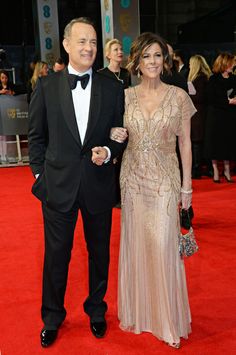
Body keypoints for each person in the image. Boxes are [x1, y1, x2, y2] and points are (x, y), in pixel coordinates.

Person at [28, 17, 127, 348]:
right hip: (58, 186)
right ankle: (52, 317)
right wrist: (41, 177)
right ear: (67, 45)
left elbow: (120, 134)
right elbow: (36, 137)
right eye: (82, 41)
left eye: (94, 42)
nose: (89, 48)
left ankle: (96, 310)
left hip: (98, 184)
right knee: (57, 255)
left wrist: (110, 149)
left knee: (100, 253)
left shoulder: (113, 88)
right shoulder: (46, 86)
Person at [111, 32, 196, 349]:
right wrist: (113, 132)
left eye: (157, 55)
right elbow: (114, 131)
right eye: (146, 56)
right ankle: (142, 313)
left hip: (165, 181)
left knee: (163, 245)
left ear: (166, 59)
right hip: (132, 180)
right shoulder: (125, 96)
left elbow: (185, 142)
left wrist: (187, 186)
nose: (152, 62)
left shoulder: (178, 96)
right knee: (138, 244)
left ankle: (168, 321)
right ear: (136, 61)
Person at [98, 39, 131, 207]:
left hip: (126, 119)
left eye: (121, 49)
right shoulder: (101, 74)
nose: (120, 52)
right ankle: (109, 195)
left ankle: (121, 196)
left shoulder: (127, 74)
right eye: (116, 49)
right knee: (110, 159)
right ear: (108, 54)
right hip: (109, 122)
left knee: (123, 159)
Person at [204, 52, 236, 182]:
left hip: (230, 116)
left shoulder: (234, 79)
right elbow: (210, 98)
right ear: (224, 63)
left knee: (228, 143)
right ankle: (216, 171)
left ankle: (227, 170)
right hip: (216, 116)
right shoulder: (213, 79)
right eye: (231, 63)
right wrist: (228, 101)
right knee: (215, 143)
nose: (234, 65)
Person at [187, 55, 212, 179]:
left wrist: (188, 95)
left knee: (197, 141)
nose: (189, 66)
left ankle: (197, 170)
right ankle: (205, 168)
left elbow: (199, 97)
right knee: (200, 141)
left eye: (191, 64)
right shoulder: (205, 78)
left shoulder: (200, 79)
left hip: (198, 114)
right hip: (201, 114)